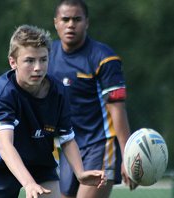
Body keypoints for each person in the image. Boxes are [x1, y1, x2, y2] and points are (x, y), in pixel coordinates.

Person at [0, 24, 106, 198]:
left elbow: (67, 138)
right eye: (29, 60)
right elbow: (5, 146)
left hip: (40, 165)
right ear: (13, 62)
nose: (38, 67)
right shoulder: (2, 93)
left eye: (43, 60)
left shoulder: (58, 91)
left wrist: (80, 173)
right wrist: (28, 184)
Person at [48, 0, 137, 197]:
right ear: (56, 22)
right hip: (69, 146)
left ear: (86, 22)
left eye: (77, 19)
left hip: (101, 144)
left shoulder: (104, 58)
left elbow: (117, 109)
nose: (71, 24)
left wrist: (128, 155)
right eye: (65, 19)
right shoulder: (47, 55)